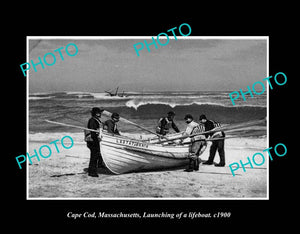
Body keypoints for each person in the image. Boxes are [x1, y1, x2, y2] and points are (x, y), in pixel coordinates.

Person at [86, 107, 104, 177]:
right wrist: (97, 138)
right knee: (94, 156)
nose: (99, 114)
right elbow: (93, 132)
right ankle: (92, 172)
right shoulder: (92, 120)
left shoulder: (96, 120)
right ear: (95, 114)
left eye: (99, 112)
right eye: (98, 113)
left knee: (95, 156)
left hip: (95, 140)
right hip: (93, 141)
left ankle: (92, 170)